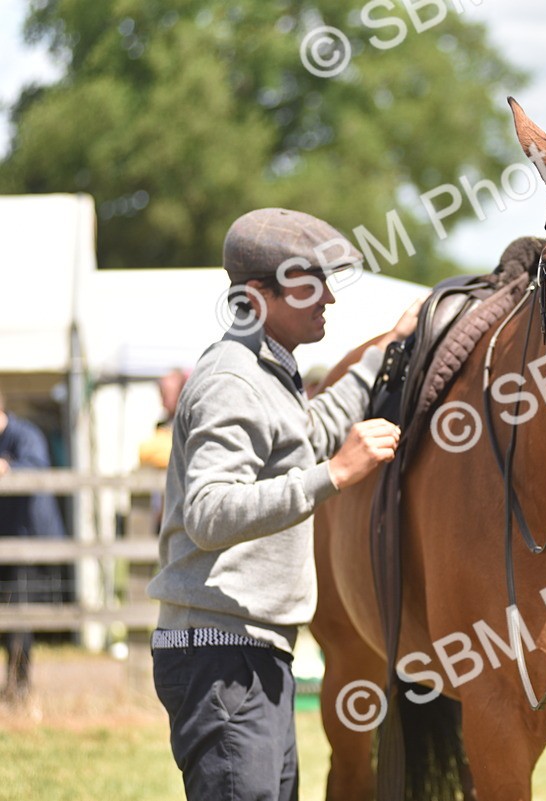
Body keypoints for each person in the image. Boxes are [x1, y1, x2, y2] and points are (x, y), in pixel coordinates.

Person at [146, 208, 422, 801]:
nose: (329, 298)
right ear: (256, 297)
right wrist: (335, 474)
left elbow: (310, 430)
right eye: (309, 285)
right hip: (221, 658)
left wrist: (388, 348)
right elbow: (209, 512)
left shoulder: (268, 370)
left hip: (246, 654)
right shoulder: (232, 379)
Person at [0, 385, 67, 710]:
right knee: (8, 617)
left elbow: (37, 468)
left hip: (30, 542)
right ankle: (13, 687)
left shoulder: (25, 435)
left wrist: (9, 469)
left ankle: (20, 688)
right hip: (7, 542)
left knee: (20, 617)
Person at [138, 368, 189, 469]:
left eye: (169, 393)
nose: (164, 399)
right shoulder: (162, 424)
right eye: (163, 393)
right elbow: (144, 451)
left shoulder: (188, 423)